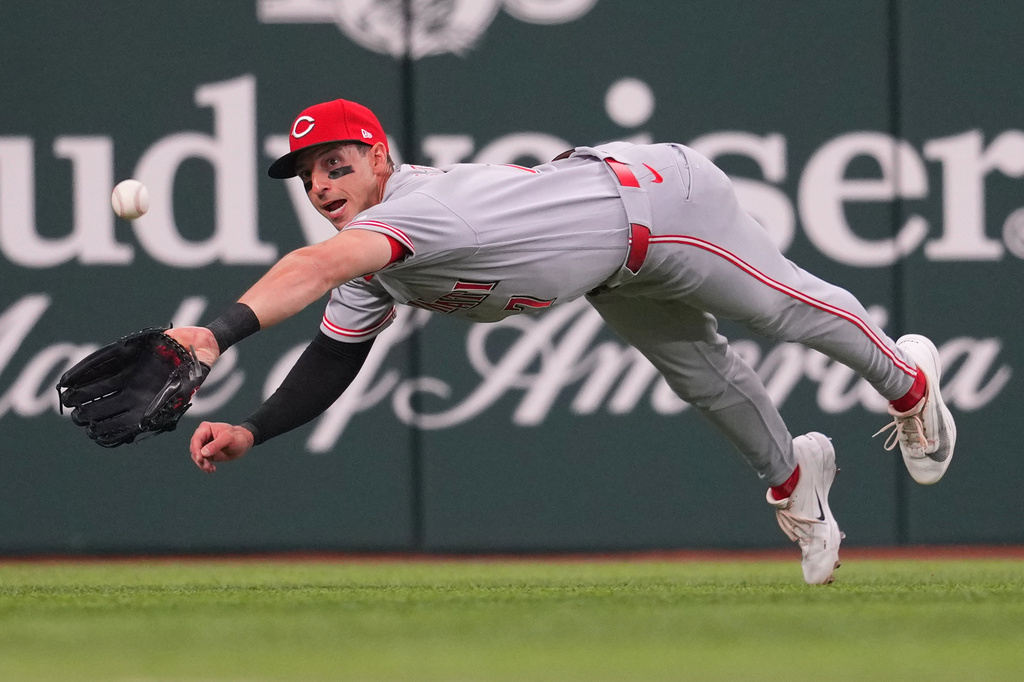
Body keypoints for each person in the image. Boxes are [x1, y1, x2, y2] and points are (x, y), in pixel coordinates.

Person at [168, 99, 957, 584]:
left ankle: (911, 382)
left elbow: (312, 264)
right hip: (611, 268)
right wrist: (253, 429)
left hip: (663, 205)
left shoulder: (419, 209)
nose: (323, 187)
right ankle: (797, 483)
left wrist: (216, 334)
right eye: (310, 180)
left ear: (380, 158)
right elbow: (334, 356)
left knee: (781, 310)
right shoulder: (371, 255)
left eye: (336, 166)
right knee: (704, 381)